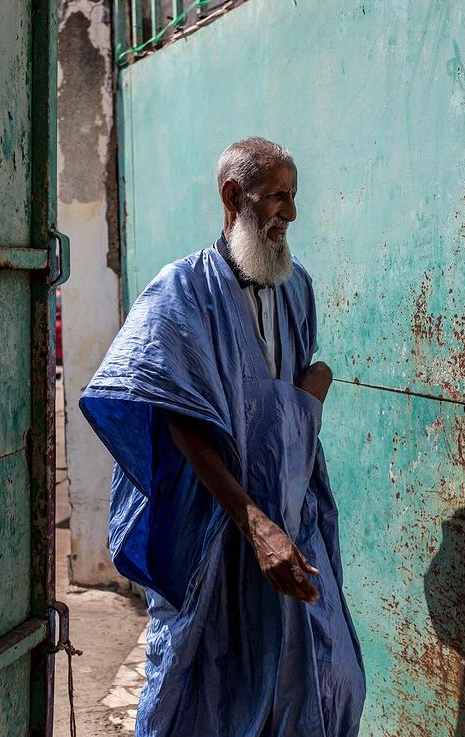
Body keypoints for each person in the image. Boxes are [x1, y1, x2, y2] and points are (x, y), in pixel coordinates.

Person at [79, 138, 366, 736]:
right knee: (202, 690)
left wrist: (310, 394)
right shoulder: (179, 293)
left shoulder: (296, 288)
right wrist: (254, 523)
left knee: (328, 675)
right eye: (278, 197)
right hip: (215, 526)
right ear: (233, 197)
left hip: (293, 515)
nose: (291, 213)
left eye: (294, 196)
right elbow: (174, 413)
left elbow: (283, 410)